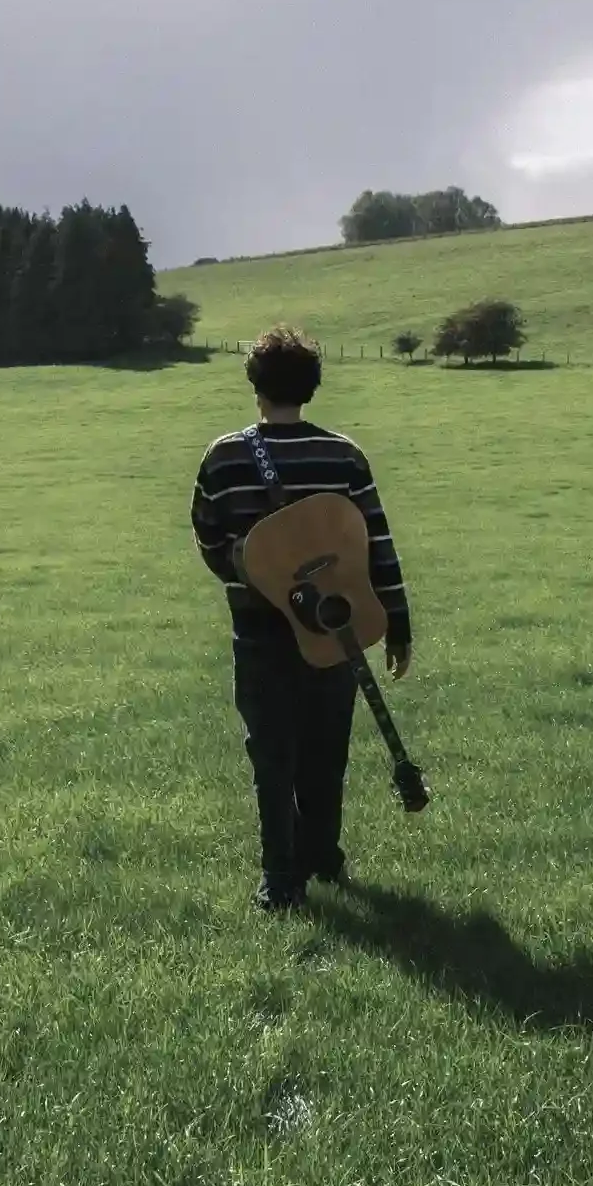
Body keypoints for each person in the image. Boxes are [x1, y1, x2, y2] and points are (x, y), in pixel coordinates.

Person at [190, 325, 413, 913]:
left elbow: (210, 542)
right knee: (325, 749)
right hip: (336, 630)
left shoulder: (225, 456)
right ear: (312, 387)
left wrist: (253, 570)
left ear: (255, 386)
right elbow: (378, 547)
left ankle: (280, 877)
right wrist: (398, 623)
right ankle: (323, 854)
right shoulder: (344, 456)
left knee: (271, 753)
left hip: (260, 629)